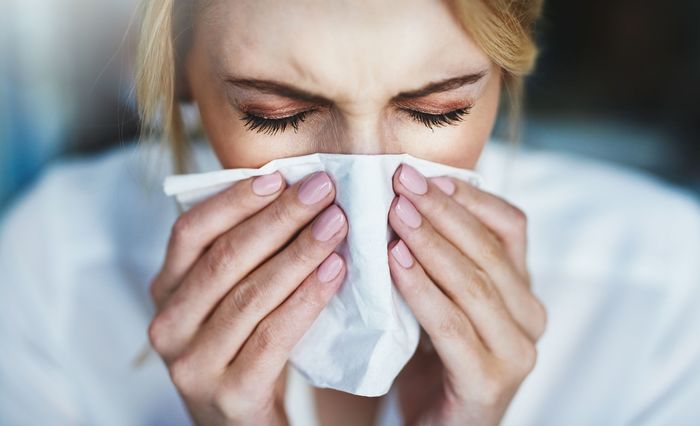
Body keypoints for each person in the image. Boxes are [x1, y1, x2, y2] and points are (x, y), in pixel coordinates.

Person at [1, 0, 699, 425]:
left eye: (438, 110)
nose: (364, 193)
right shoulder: (52, 273)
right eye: (274, 115)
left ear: (506, 68)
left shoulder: (662, 291)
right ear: (183, 75)